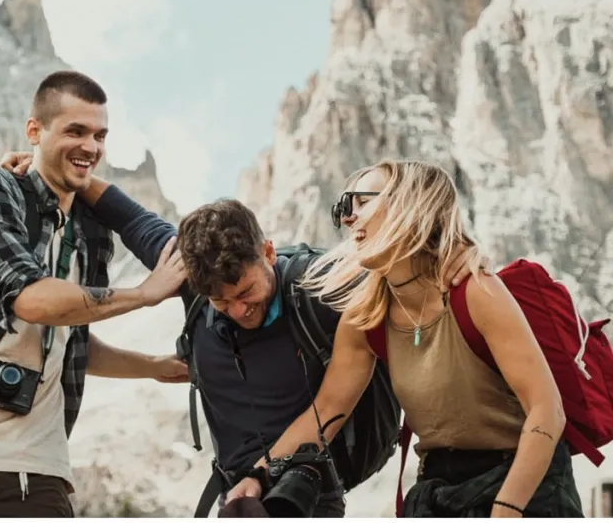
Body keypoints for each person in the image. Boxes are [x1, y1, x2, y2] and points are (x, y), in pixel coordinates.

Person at [0, 151, 482, 517]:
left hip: (314, 479)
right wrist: (52, 168)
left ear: (268, 252)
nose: (238, 310)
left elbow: (404, 269)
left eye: (246, 291)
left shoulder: (318, 285)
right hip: (238, 492)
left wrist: (459, 256)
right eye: (220, 302)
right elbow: (130, 218)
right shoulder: (193, 279)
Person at [0, 71, 189, 517]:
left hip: (45, 473)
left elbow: (70, 338)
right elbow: (32, 300)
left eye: (99, 135)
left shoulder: (90, 230)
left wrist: (153, 367)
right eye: (74, 131)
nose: (90, 146)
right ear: (34, 130)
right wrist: (145, 295)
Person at [229, 159, 583, 517]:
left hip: (525, 484)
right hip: (438, 489)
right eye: (344, 208)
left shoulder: (475, 291)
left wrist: (508, 507)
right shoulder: (365, 317)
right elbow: (326, 412)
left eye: (362, 202)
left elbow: (547, 410)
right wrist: (259, 473)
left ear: (410, 204)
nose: (349, 219)